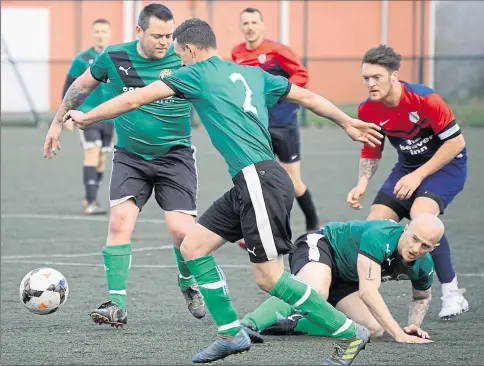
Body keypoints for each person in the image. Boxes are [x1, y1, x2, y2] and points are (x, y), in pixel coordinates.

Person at [59, 18, 383, 365]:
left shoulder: (195, 73)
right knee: (194, 247)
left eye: (180, 54)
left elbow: (133, 100)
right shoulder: (251, 73)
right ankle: (230, 333)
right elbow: (305, 95)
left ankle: (348, 331)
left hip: (260, 180)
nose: (178, 62)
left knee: (270, 279)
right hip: (249, 183)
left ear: (190, 50)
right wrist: (345, 121)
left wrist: (86, 117)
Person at [43, 4, 206, 327]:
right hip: (130, 156)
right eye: (157, 35)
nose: (164, 41)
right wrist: (56, 123)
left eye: (168, 35)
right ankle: (116, 303)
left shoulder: (184, 59)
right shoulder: (115, 57)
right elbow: (81, 86)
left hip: (175, 155)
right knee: (119, 222)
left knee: (181, 232)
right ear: (138, 32)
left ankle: (187, 282)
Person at [346, 45, 468, 320]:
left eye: (376, 77)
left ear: (394, 76)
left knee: (421, 216)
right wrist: (362, 182)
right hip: (408, 167)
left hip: (447, 165)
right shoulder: (367, 109)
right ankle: (360, 293)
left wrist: (418, 175)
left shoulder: (425, 99)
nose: (370, 83)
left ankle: (452, 294)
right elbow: (371, 149)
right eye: (366, 77)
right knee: (373, 223)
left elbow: (456, 142)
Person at [240, 215, 439, 345]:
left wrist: (413, 324)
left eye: (425, 246)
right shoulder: (381, 235)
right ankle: (247, 325)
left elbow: (421, 296)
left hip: (346, 279)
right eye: (415, 239)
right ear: (406, 229)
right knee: (316, 291)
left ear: (434, 247)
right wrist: (398, 334)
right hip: (324, 247)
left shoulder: (424, 266)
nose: (416, 248)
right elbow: (368, 291)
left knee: (373, 330)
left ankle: (295, 324)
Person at [232, 8, 319, 236]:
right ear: (241, 26)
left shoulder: (277, 50)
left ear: (262, 25)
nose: (250, 27)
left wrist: (276, 92)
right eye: (246, 23)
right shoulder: (237, 54)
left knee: (293, 180)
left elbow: (301, 75)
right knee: (257, 177)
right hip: (256, 125)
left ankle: (312, 221)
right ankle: (258, 230)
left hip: (283, 123)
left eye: (254, 22)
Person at [62, 18, 115, 215]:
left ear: (109, 33)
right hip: (86, 114)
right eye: (97, 31)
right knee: (92, 151)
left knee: (102, 158)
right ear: (93, 34)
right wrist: (66, 114)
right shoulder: (82, 59)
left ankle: (91, 197)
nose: (100, 34)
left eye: (104, 31)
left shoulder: (115, 58)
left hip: (109, 115)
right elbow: (69, 87)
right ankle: (90, 202)